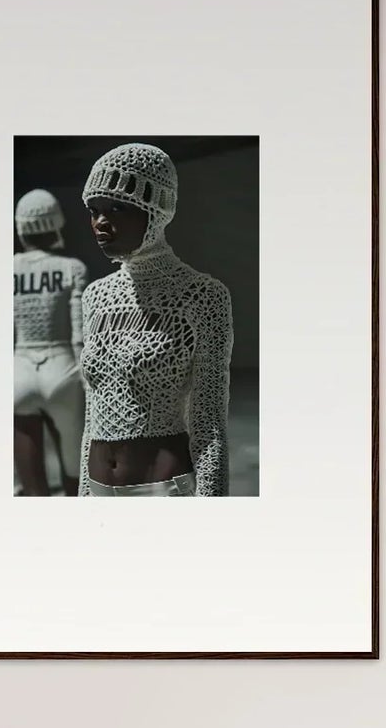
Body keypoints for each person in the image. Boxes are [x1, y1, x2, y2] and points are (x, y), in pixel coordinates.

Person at [77, 143, 233, 498]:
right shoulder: (95, 297)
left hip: (162, 488)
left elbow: (208, 422)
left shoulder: (202, 295)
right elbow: (92, 414)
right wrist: (83, 492)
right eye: (94, 209)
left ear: (156, 210)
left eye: (118, 207)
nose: (101, 222)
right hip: (99, 486)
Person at [12, 188, 88, 496]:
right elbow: (79, 333)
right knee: (74, 466)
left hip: (19, 369)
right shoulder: (72, 268)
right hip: (62, 368)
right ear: (55, 223)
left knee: (32, 486)